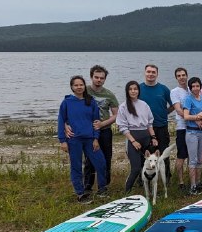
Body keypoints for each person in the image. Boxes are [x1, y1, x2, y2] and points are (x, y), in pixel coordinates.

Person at [57, 75, 108, 203]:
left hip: (90, 139)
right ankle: (80, 194)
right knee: (76, 166)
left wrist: (96, 138)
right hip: (74, 139)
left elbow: (96, 122)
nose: (79, 87)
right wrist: (62, 140)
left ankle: (102, 189)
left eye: (81, 85)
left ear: (84, 86)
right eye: (76, 85)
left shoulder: (91, 101)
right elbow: (61, 120)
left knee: (101, 163)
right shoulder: (67, 102)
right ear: (72, 87)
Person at [116, 81, 157, 193]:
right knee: (136, 168)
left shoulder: (144, 105)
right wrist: (133, 141)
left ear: (139, 91)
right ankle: (127, 191)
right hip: (133, 137)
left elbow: (149, 123)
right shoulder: (123, 106)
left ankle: (147, 190)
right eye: (131, 89)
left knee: (147, 166)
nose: (133, 91)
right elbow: (122, 127)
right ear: (127, 91)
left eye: (135, 89)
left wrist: (153, 137)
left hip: (146, 137)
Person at [83, 65, 118, 193]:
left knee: (106, 158)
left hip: (105, 131)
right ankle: (87, 185)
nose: (99, 80)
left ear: (104, 79)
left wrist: (102, 124)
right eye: (96, 77)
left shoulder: (109, 95)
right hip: (88, 131)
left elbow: (116, 115)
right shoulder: (84, 91)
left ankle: (104, 186)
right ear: (91, 77)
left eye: (101, 78)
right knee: (89, 159)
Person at [138, 64, 173, 180]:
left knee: (163, 153)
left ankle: (166, 177)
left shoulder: (163, 89)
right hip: (144, 128)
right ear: (144, 73)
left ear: (157, 74)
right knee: (145, 153)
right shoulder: (138, 88)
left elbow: (174, 105)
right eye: (148, 72)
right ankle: (144, 177)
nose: (151, 74)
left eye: (153, 72)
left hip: (161, 126)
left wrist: (164, 113)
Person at [182, 77, 202, 194]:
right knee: (193, 160)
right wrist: (198, 118)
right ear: (190, 88)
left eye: (197, 86)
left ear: (200, 86)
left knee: (200, 159)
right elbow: (186, 116)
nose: (195, 88)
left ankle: (198, 182)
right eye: (193, 86)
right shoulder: (188, 99)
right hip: (192, 132)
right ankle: (192, 185)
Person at [170, 67, 190, 192]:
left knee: (192, 156)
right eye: (179, 75)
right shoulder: (175, 92)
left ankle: (191, 179)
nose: (182, 77)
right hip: (182, 127)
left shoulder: (192, 89)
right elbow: (178, 109)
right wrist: (194, 119)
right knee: (181, 155)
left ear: (187, 76)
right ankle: (181, 182)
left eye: (183, 75)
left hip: (194, 128)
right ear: (176, 78)